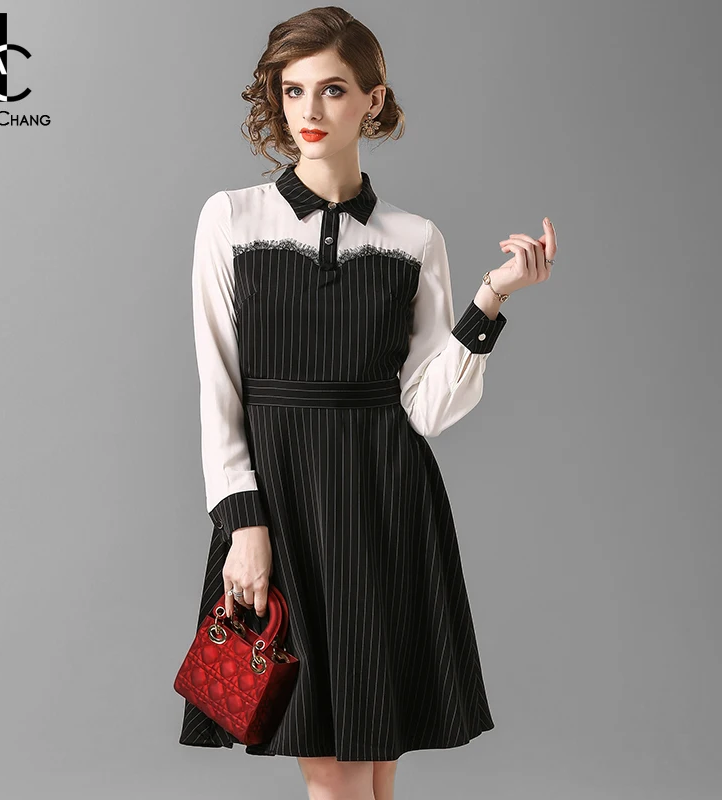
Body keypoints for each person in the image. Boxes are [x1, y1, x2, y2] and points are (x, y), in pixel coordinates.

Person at [179, 6, 557, 799]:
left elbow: (426, 408)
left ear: (372, 100)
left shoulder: (414, 239)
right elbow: (218, 387)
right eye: (293, 91)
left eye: (333, 89)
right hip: (280, 508)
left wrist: (490, 299)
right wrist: (243, 524)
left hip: (385, 505)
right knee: (337, 768)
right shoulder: (230, 219)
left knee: (373, 768)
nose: (309, 111)